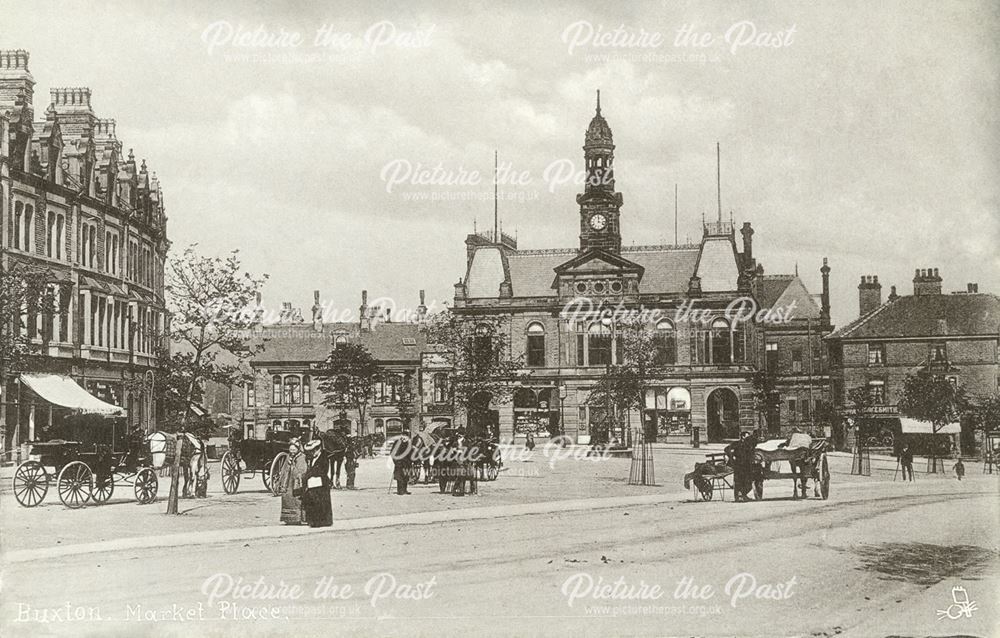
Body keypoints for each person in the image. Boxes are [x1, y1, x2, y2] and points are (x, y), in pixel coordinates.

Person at [301, 439, 332, 527]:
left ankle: (321, 521)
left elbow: (322, 470)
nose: (312, 453)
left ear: (318, 449)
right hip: (314, 482)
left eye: (313, 451)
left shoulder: (324, 457)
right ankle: (314, 521)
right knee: (314, 502)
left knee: (320, 502)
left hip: (321, 482)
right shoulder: (313, 458)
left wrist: (309, 474)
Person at [280, 438, 307, 525]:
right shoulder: (288, 456)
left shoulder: (302, 457)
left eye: (294, 450)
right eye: (291, 450)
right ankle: (288, 518)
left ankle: (298, 518)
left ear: (298, 449)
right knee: (286, 496)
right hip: (288, 482)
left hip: (297, 483)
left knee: (297, 499)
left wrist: (294, 469)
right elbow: (284, 469)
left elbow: (302, 470)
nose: (292, 452)